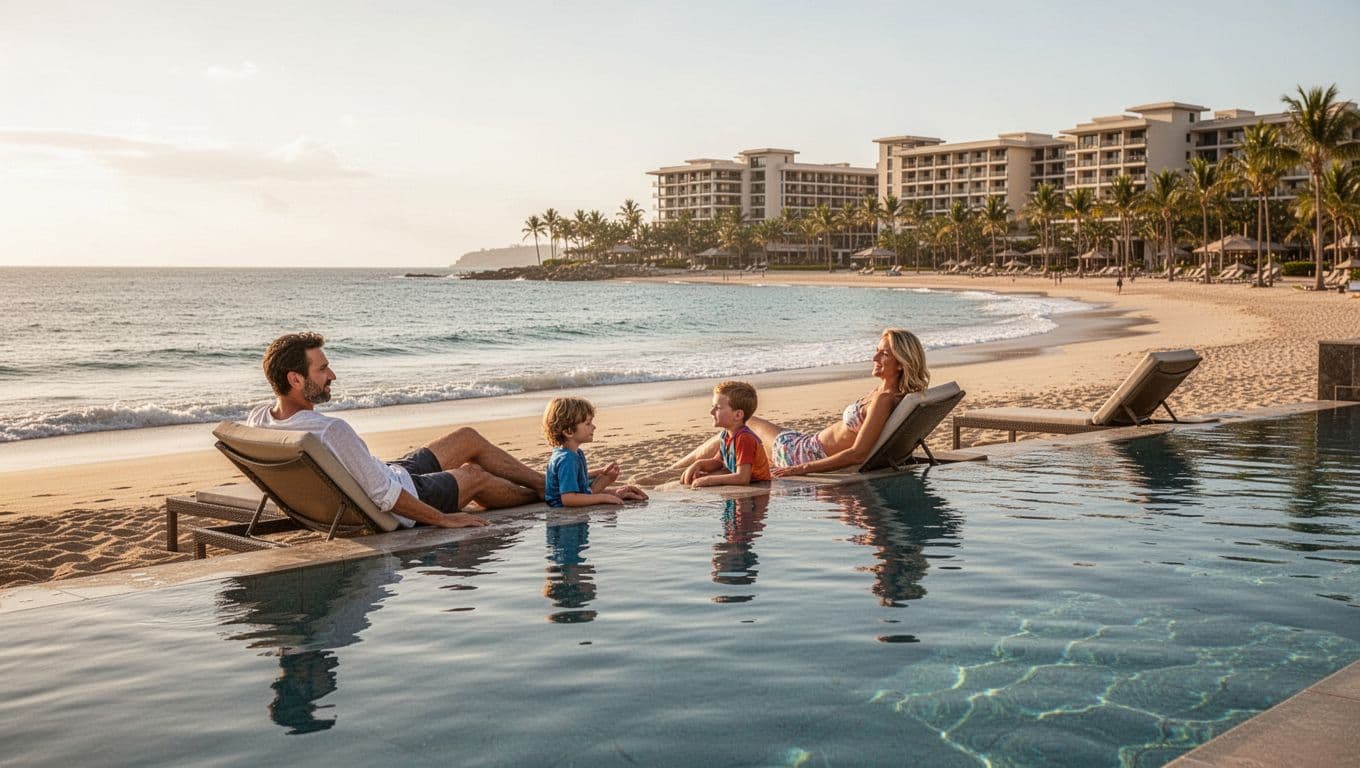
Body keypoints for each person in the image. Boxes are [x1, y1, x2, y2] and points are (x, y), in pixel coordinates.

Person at [247, 332, 543, 530]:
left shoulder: (259, 419)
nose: (332, 375)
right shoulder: (330, 431)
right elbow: (385, 497)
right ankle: (546, 493)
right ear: (295, 379)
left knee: (467, 438)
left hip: (387, 472)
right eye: (322, 369)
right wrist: (444, 519)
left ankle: (545, 484)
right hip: (403, 500)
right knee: (475, 475)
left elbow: (373, 479)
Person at [667, 328, 930, 478]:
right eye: (877, 349)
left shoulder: (885, 399)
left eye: (883, 353)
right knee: (743, 427)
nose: (874, 356)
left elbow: (858, 453)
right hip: (806, 443)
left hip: (802, 453)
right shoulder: (886, 393)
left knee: (743, 423)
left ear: (901, 362)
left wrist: (800, 468)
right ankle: (683, 468)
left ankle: (673, 471)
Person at [542, 397, 648, 507]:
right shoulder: (567, 459)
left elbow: (574, 476)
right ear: (568, 431)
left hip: (579, 491)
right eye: (588, 423)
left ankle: (612, 491)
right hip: (564, 505)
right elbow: (568, 499)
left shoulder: (572, 453)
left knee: (606, 480)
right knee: (605, 492)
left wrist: (599, 472)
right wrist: (603, 498)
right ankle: (599, 492)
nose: (594, 427)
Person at [681, 381, 773, 488]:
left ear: (738, 415)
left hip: (760, 486)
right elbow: (718, 462)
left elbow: (743, 478)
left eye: (718, 408)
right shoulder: (726, 435)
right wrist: (699, 464)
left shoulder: (744, 439)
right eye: (712, 406)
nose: (711, 412)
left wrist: (708, 480)